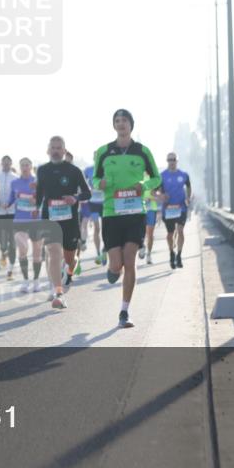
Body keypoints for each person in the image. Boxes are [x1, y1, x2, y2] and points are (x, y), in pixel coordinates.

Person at [93, 109, 161, 329]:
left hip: (135, 213)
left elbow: (156, 178)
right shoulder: (104, 151)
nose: (121, 124)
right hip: (112, 213)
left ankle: (124, 311)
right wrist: (99, 184)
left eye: (124, 121)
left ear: (132, 125)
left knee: (130, 259)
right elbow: (94, 179)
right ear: (114, 125)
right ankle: (113, 269)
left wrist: (144, 186)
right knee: (117, 265)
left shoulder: (142, 151)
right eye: (117, 121)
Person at [34, 137, 91, 308]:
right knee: (53, 252)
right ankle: (58, 292)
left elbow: (87, 193)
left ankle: (69, 272)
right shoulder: (42, 170)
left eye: (59, 148)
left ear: (64, 151)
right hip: (49, 217)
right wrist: (36, 208)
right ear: (48, 150)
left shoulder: (74, 170)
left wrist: (75, 198)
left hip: (70, 220)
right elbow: (39, 194)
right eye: (53, 147)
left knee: (70, 258)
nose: (56, 150)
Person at [7, 158, 44, 293]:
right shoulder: (15, 182)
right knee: (22, 249)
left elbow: (43, 199)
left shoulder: (37, 182)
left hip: (36, 220)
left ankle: (36, 281)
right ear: (20, 166)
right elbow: (12, 197)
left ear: (31, 166)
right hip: (20, 220)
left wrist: (36, 199)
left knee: (37, 252)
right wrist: (8, 203)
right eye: (22, 165)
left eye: (27, 165)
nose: (24, 167)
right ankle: (25, 281)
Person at [160, 152, 193, 269]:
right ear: (167, 161)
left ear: (177, 161)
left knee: (180, 230)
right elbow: (155, 191)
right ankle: (171, 253)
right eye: (169, 160)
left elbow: (189, 186)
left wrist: (188, 197)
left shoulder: (183, 175)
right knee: (170, 234)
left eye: (173, 159)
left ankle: (179, 255)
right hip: (168, 209)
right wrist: (161, 196)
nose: (172, 162)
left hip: (181, 207)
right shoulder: (162, 176)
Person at [0, 155, 17, 280]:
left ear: (11, 163)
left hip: (12, 214)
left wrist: (11, 204)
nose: (6, 164)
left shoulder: (15, 178)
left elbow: (19, 195)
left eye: (8, 163)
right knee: (0, 240)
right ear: (1, 163)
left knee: (12, 241)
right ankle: (3, 250)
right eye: (4, 162)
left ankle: (10, 270)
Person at [81, 162, 105, 265]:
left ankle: (105, 250)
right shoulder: (88, 170)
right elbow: (82, 183)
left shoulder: (107, 169)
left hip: (105, 203)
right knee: (97, 227)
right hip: (93, 203)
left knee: (106, 228)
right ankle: (98, 252)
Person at [139, 187, 161, 265]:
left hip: (151, 209)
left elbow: (159, 196)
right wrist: (143, 199)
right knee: (141, 232)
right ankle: (142, 246)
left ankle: (149, 254)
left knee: (150, 234)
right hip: (140, 209)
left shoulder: (154, 178)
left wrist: (152, 198)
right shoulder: (138, 177)